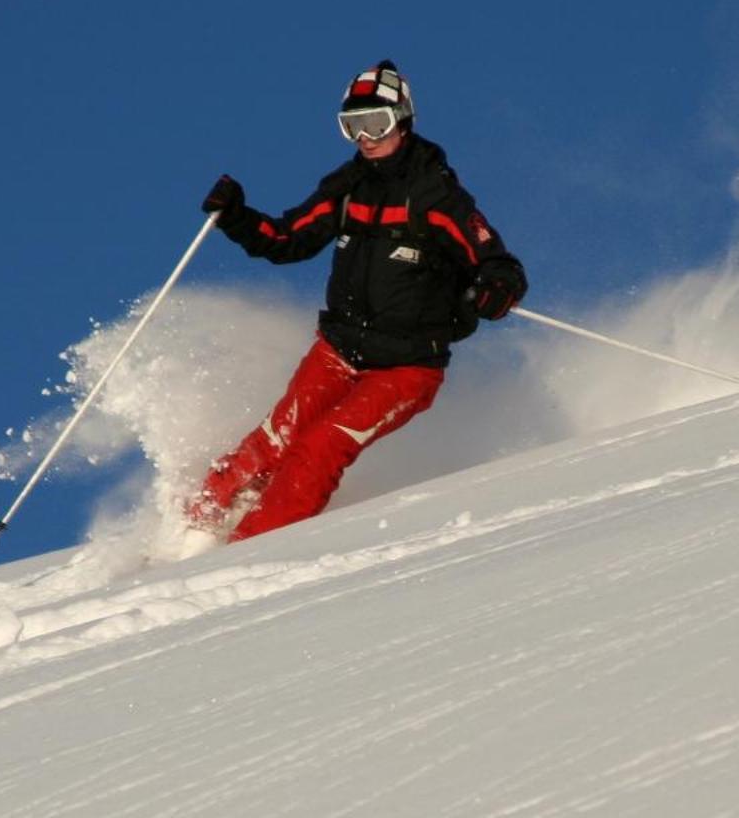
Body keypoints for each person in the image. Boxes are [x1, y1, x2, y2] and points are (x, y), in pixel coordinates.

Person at [187, 60, 528, 541]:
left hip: (406, 367)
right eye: (353, 126)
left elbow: (494, 259)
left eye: (376, 124)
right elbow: (288, 240)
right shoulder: (348, 188)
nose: (366, 137)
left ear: (402, 121)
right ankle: (190, 529)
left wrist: (498, 286)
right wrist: (237, 217)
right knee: (274, 439)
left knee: (322, 445)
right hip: (337, 349)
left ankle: (248, 549)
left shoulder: (434, 194)